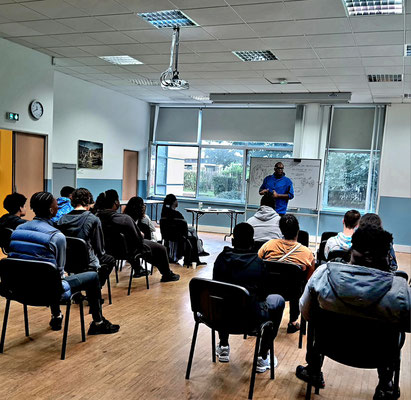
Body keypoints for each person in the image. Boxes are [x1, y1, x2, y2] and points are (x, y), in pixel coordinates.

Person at [296, 225, 411, 400]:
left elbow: (306, 312)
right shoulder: (400, 289)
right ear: (387, 257)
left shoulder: (322, 275)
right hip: (378, 355)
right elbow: (407, 326)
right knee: (395, 337)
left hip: (329, 345)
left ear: (351, 251)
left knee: (318, 326)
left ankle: (313, 369)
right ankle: (385, 384)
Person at [8, 192, 119, 335]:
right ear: (51, 210)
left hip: (19, 288)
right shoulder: (56, 236)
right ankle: (98, 322)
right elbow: (59, 274)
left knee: (46, 275)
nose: (58, 208)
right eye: (56, 205)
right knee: (91, 276)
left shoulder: (17, 230)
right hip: (48, 292)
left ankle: (57, 316)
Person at [213, 223, 285, 372]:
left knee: (223, 299)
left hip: (220, 317)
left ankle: (224, 346)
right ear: (253, 243)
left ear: (232, 242)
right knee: (278, 300)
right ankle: (263, 356)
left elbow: (216, 289)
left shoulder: (221, 259)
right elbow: (264, 295)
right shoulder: (258, 264)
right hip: (250, 320)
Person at [94, 189, 180, 282]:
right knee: (161, 249)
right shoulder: (124, 219)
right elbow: (138, 239)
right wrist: (141, 235)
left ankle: (139, 269)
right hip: (128, 250)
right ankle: (166, 274)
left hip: (107, 251)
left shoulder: (96, 217)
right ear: (115, 202)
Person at [258, 214, 315, 333]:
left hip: (268, 289)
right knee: (298, 285)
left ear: (281, 230)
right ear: (298, 230)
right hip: (292, 292)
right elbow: (309, 278)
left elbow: (257, 263)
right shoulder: (306, 253)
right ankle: (293, 322)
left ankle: (262, 317)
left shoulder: (269, 245)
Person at [57, 188, 115, 287]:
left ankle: (78, 289)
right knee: (110, 260)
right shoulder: (93, 219)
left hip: (67, 262)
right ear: (88, 200)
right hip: (87, 262)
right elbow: (100, 249)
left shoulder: (62, 219)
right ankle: (95, 286)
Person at [161, 194, 209, 263]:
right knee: (192, 231)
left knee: (191, 229)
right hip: (178, 234)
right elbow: (184, 226)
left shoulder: (164, 213)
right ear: (174, 202)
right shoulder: (177, 214)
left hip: (168, 234)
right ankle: (199, 250)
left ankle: (199, 250)